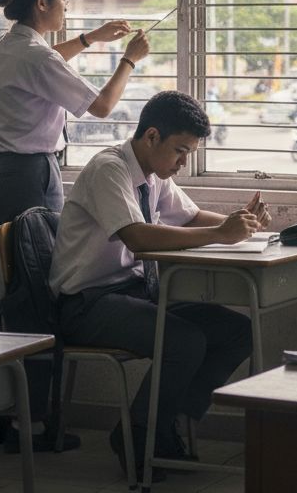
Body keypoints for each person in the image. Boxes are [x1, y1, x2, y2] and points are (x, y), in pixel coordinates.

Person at [49, 90, 267, 481]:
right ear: (152, 137)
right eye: (180, 152)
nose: (183, 164)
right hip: (86, 303)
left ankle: (162, 423)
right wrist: (222, 233)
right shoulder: (109, 169)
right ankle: (136, 435)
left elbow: (191, 216)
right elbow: (138, 238)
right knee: (183, 341)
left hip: (132, 294)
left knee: (237, 331)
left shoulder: (153, 173)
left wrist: (244, 226)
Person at [0, 0, 150, 452]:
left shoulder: (10, 45)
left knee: (3, 291)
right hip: (30, 178)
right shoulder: (35, 56)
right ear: (42, 3)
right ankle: (30, 424)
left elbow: (47, 63)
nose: (67, 4)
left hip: (0, 174)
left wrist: (91, 38)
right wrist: (129, 60)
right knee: (36, 297)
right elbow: (99, 106)